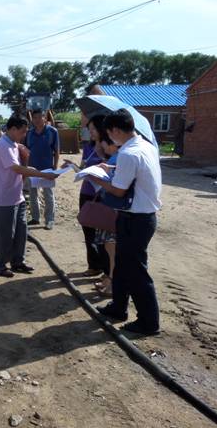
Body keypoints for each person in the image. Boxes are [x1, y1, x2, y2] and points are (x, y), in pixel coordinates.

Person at [89, 109, 162, 335]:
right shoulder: (145, 146)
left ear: (116, 130)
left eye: (109, 134)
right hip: (139, 216)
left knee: (137, 271)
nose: (109, 138)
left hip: (136, 219)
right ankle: (118, 307)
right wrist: (109, 168)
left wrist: (94, 177)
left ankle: (149, 322)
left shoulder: (129, 154)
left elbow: (119, 191)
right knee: (121, 264)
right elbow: (132, 174)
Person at [0, 116, 58, 278]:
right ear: (12, 129)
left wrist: (32, 165)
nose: (24, 135)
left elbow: (22, 168)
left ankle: (18, 261)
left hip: (16, 195)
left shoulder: (13, 144)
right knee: (5, 234)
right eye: (22, 132)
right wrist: (41, 174)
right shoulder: (3, 145)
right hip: (3, 198)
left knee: (21, 231)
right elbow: (17, 169)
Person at [63, 115, 110, 277]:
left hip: (103, 195)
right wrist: (72, 165)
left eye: (93, 129)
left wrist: (103, 155)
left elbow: (114, 170)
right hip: (86, 193)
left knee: (104, 233)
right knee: (88, 230)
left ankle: (107, 269)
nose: (90, 133)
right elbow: (83, 169)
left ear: (101, 129)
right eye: (88, 130)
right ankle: (94, 265)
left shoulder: (109, 147)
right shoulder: (88, 147)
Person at [93, 134, 120, 297]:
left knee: (112, 249)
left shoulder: (119, 158)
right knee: (110, 248)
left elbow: (115, 186)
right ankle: (109, 280)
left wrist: (97, 178)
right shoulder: (114, 158)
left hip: (113, 209)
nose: (102, 146)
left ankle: (112, 284)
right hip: (110, 206)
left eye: (103, 143)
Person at [26, 109, 60, 229]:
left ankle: (49, 220)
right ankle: (35, 218)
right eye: (34, 118)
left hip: (47, 169)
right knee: (33, 194)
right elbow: (26, 151)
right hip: (32, 168)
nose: (37, 120)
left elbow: (56, 151)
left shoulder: (52, 132)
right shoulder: (29, 133)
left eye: (39, 117)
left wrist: (55, 168)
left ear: (45, 118)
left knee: (48, 195)